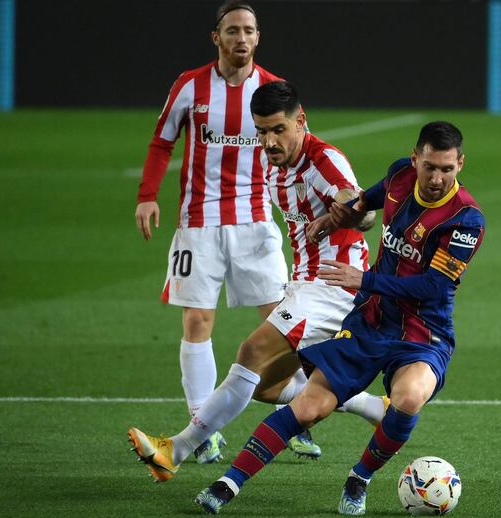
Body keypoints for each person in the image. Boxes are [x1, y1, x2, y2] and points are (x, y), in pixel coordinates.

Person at [193, 120, 485, 516]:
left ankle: (359, 478)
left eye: (447, 169)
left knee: (410, 396)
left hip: (423, 333)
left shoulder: (465, 220)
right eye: (429, 166)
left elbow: (434, 287)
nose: (436, 178)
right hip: (371, 321)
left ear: (460, 164)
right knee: (309, 406)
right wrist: (337, 217)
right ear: (415, 159)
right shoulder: (401, 175)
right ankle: (228, 484)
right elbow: (369, 198)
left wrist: (365, 278)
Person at [128, 81, 390, 482]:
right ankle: (376, 409)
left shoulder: (324, 160)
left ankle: (175, 450)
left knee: (251, 349)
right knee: (268, 387)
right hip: (304, 284)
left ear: (300, 121)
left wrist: (349, 213)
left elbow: (363, 208)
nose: (269, 140)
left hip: (333, 286)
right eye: (262, 130)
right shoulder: (273, 162)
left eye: (278, 129)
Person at [132, 1, 324, 463]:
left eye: (250, 30)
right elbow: (162, 140)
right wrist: (147, 194)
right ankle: (203, 433)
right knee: (197, 322)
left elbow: (304, 147)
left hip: (256, 222)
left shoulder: (273, 92)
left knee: (284, 322)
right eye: (234, 30)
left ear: (258, 38)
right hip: (198, 224)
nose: (243, 38)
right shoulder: (190, 85)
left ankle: (299, 415)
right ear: (215, 37)